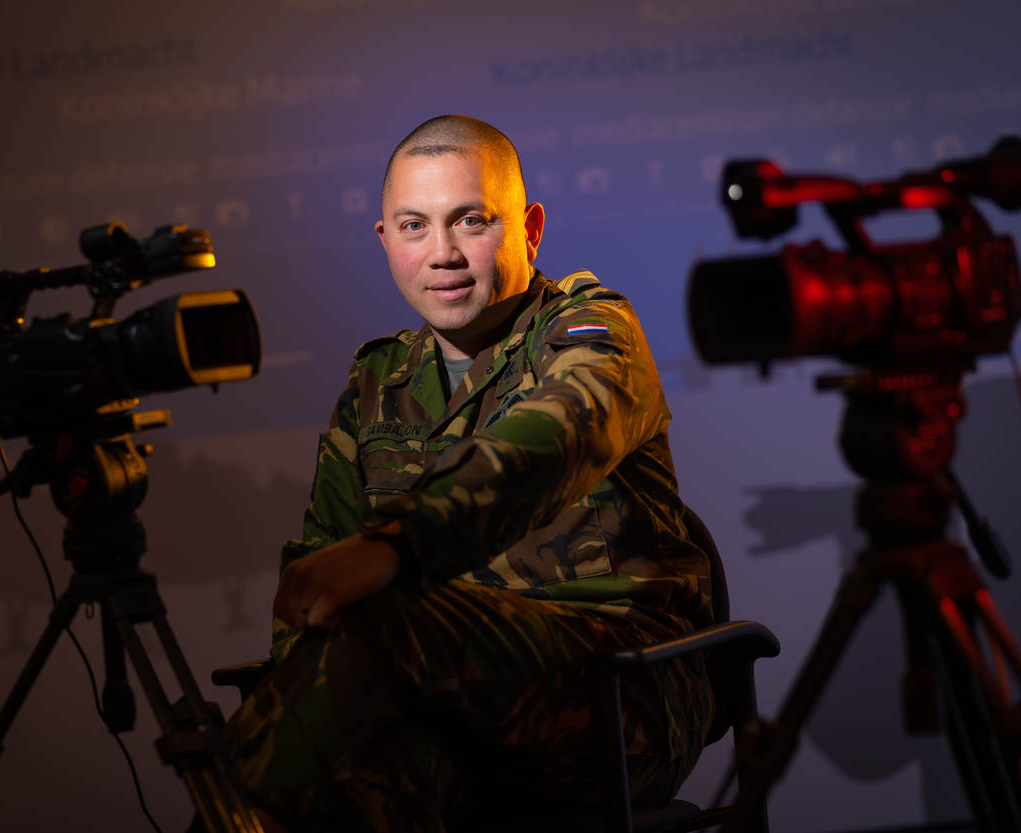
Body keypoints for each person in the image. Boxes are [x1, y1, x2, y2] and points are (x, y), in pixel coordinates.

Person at [224, 115, 714, 833]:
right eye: (414, 226)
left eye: (471, 220)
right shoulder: (378, 381)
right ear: (385, 240)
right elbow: (318, 576)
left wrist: (397, 544)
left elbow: (544, 448)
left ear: (530, 229)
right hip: (440, 712)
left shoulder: (590, 332)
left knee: (386, 628)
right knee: (362, 785)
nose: (443, 253)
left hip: (618, 694)